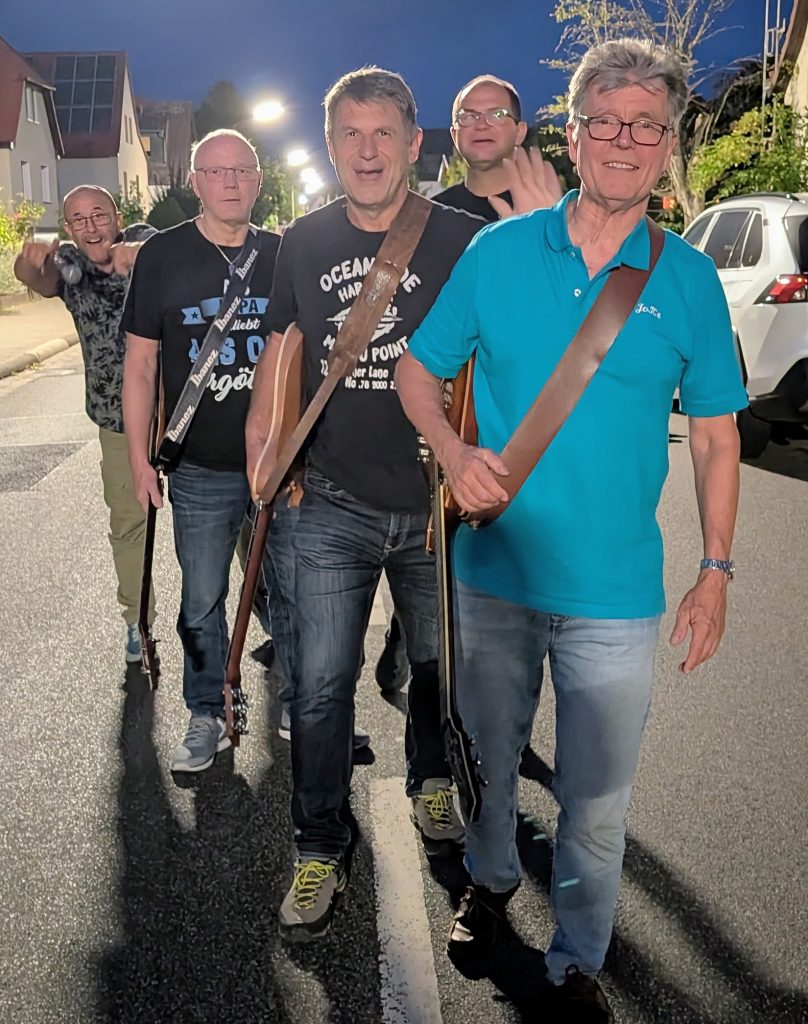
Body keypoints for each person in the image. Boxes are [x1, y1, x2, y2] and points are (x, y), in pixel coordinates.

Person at [396, 38, 748, 1022]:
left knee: (595, 802)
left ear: (667, 144)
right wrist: (451, 452)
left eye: (647, 125)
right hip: (493, 577)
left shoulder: (687, 280)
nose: (625, 140)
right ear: (575, 134)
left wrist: (716, 569)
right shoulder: (498, 252)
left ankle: (577, 957)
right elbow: (417, 373)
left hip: (614, 593)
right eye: (606, 122)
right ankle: (490, 878)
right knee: (488, 761)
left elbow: (716, 437)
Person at [246, 67, 487, 942]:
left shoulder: (466, 239)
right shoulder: (302, 242)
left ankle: (433, 778)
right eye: (350, 134)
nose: (368, 150)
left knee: (436, 667)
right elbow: (281, 358)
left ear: (413, 143)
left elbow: (504, 355)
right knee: (316, 686)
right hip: (330, 501)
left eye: (384, 132)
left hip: (433, 504)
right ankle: (319, 843)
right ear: (330, 146)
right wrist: (264, 462)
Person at [122, 129, 280, 773]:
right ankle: (206, 712)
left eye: (242, 170)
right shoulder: (161, 257)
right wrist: (140, 460)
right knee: (202, 600)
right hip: (200, 466)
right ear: (195, 182)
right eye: (216, 172)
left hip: (279, 462)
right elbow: (140, 366)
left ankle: (299, 698)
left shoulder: (283, 255)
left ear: (259, 179)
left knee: (295, 590)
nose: (231, 182)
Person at [14, 186, 156, 662]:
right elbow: (36, 277)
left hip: (179, 412)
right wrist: (29, 261)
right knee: (129, 524)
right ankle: (137, 621)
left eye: (100, 215)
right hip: (116, 419)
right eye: (79, 219)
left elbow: (161, 249)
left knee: (225, 516)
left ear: (117, 218)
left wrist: (136, 254)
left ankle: (267, 611)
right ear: (69, 229)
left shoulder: (144, 240)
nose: (92, 226)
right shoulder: (71, 267)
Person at [435, 75, 560, 224]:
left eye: (497, 115)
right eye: (468, 116)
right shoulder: (428, 217)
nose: (481, 125)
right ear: (454, 135)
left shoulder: (552, 211)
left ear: (519, 132)